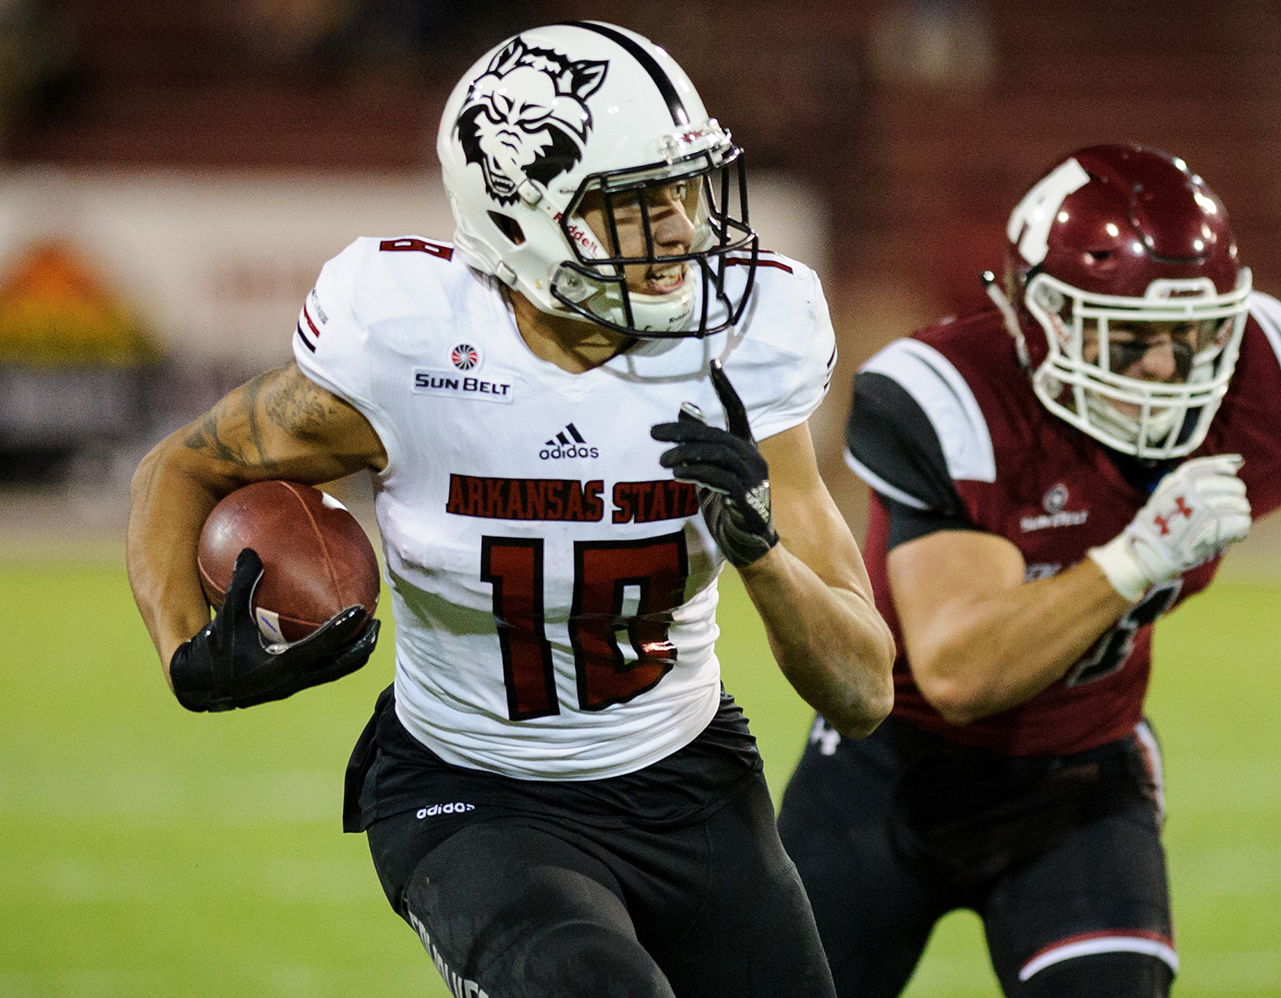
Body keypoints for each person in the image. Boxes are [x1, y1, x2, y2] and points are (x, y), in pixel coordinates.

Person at [126, 21, 894, 997]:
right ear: (523, 213)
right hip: (471, 790)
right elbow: (178, 469)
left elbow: (863, 692)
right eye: (635, 201)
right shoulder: (410, 344)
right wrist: (185, 650)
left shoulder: (745, 340)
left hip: (688, 778)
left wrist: (763, 556)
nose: (680, 229)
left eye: (685, 188)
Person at [777, 143, 1281, 998]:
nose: (1165, 366)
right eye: (1129, 338)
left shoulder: (1261, 382)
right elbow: (960, 674)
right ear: (1042, 321)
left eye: (1190, 336)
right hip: (889, 774)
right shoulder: (953, 399)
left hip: (1083, 780)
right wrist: (1135, 558)